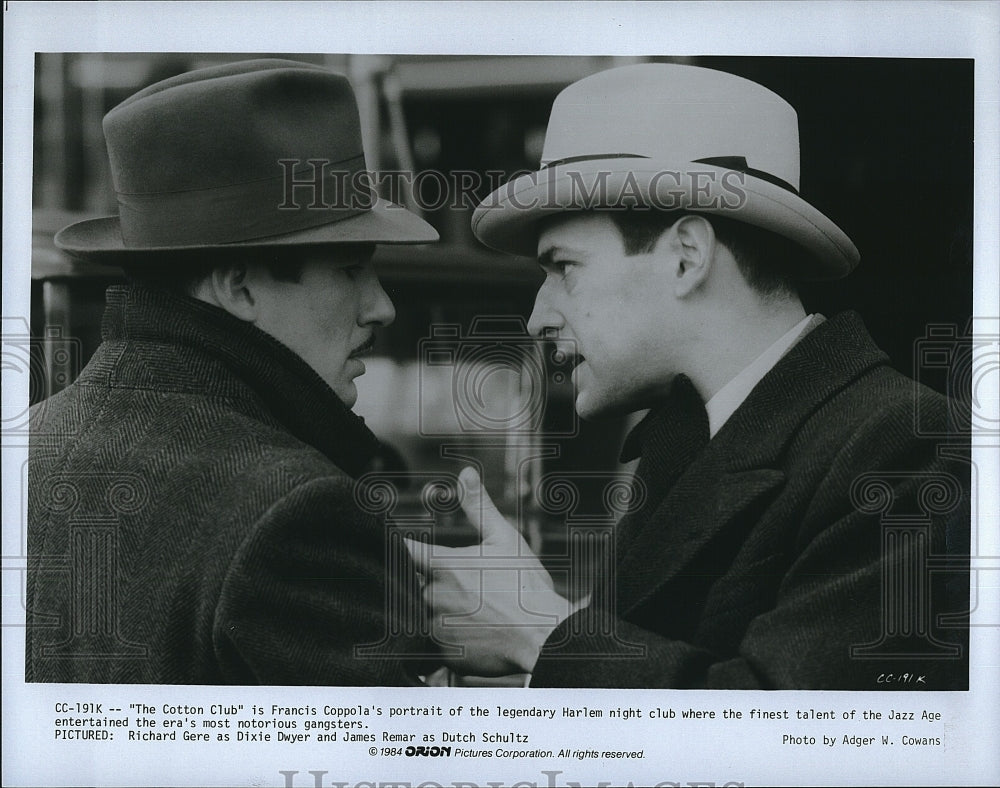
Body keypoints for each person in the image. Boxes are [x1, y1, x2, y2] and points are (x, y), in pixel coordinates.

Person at [408, 63, 969, 689]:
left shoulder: (901, 447)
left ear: (685, 257)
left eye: (563, 267)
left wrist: (540, 632)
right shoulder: (686, 441)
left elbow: (796, 743)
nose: (538, 317)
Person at [26, 59, 439, 684]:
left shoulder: (25, 443)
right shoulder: (296, 514)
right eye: (351, 268)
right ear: (240, 287)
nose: (380, 305)